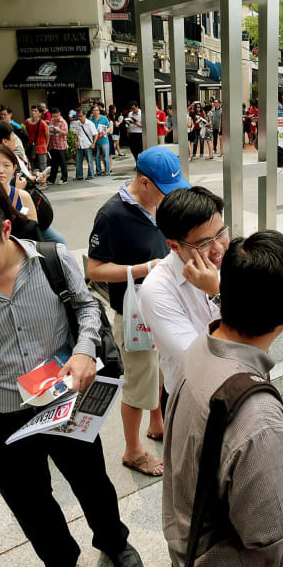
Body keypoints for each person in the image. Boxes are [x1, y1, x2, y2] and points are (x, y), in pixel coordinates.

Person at [0, 189, 146, 567]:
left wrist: (82, 350)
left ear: (6, 230)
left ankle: (115, 542)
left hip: (65, 404)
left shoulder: (51, 260)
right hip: (2, 417)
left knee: (93, 484)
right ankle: (62, 564)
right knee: (31, 504)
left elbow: (86, 305)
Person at [162, 229, 283, 567]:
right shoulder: (256, 420)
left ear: (222, 289)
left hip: (186, 550)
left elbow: (215, 424)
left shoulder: (202, 344)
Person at [87, 146, 190, 476]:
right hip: (134, 315)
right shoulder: (112, 214)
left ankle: (157, 423)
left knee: (160, 371)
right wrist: (145, 268)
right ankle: (132, 449)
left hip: (164, 307)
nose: (169, 197)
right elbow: (95, 270)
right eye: (164, 189)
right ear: (144, 182)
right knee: (138, 382)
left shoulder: (162, 208)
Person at [139, 186, 227, 415]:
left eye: (221, 233)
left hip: (237, 388)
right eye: (205, 243)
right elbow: (198, 358)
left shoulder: (230, 260)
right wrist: (216, 294)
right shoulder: (157, 289)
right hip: (192, 401)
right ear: (174, 245)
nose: (218, 248)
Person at [0, 144, 38, 223]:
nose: (1, 170)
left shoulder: (23, 197)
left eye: (6, 165)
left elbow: (33, 230)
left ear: (14, 168)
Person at [71, 110, 98, 180]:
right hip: (80, 144)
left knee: (90, 161)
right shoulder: (77, 123)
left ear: (84, 116)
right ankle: (79, 176)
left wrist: (93, 143)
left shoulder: (90, 124)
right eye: (78, 116)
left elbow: (95, 134)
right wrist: (75, 142)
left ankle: (90, 175)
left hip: (87, 144)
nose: (79, 118)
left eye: (81, 116)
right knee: (78, 161)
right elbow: (75, 134)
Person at [47, 108, 69, 185]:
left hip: (61, 145)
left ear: (59, 114)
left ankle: (64, 178)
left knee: (62, 163)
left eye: (56, 116)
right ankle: (52, 179)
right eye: (53, 116)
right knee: (53, 163)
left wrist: (59, 130)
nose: (55, 118)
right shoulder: (52, 121)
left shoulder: (63, 122)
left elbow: (66, 133)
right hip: (53, 145)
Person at [25, 105, 50, 172]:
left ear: (40, 113)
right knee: (30, 167)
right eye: (32, 110)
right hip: (31, 147)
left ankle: (43, 181)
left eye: (35, 111)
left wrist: (46, 145)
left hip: (41, 147)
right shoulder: (27, 122)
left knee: (42, 167)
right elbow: (28, 133)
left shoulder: (43, 123)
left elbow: (47, 135)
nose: (33, 112)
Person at [90, 105, 112, 176]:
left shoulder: (104, 118)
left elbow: (109, 127)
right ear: (92, 111)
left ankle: (107, 171)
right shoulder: (90, 119)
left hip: (104, 140)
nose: (96, 112)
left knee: (106, 156)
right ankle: (98, 171)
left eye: (97, 110)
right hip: (95, 141)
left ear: (99, 111)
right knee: (97, 157)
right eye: (94, 110)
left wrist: (105, 132)